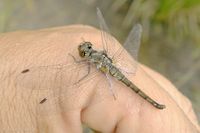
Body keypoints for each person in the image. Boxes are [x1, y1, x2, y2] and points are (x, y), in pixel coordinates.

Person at [0, 25, 199, 133]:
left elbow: (85, 73)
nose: (83, 52)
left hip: (112, 73)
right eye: (84, 50)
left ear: (88, 54)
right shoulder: (99, 55)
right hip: (113, 70)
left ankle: (154, 103)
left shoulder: (90, 62)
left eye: (84, 51)